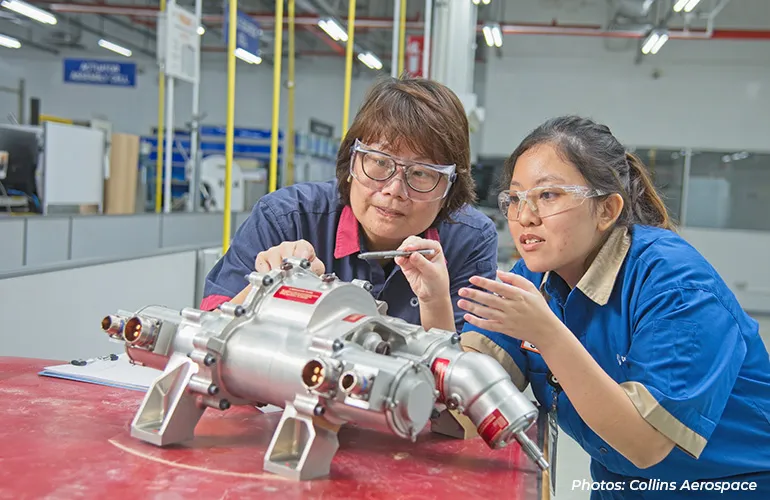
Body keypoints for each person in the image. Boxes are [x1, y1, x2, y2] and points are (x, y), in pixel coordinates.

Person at [450, 116, 770, 498]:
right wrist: (436, 299)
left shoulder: (676, 284)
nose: (524, 216)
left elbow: (645, 444)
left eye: (548, 195)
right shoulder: (533, 276)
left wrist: (547, 334)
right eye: (515, 198)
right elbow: (463, 408)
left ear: (606, 210)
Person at [201, 75, 498, 333]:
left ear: (450, 187)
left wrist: (435, 303)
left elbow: (463, 378)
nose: (394, 190)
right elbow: (206, 331)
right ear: (351, 161)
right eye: (380, 162)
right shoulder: (285, 218)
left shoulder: (469, 239)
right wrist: (269, 285)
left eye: (421, 174)